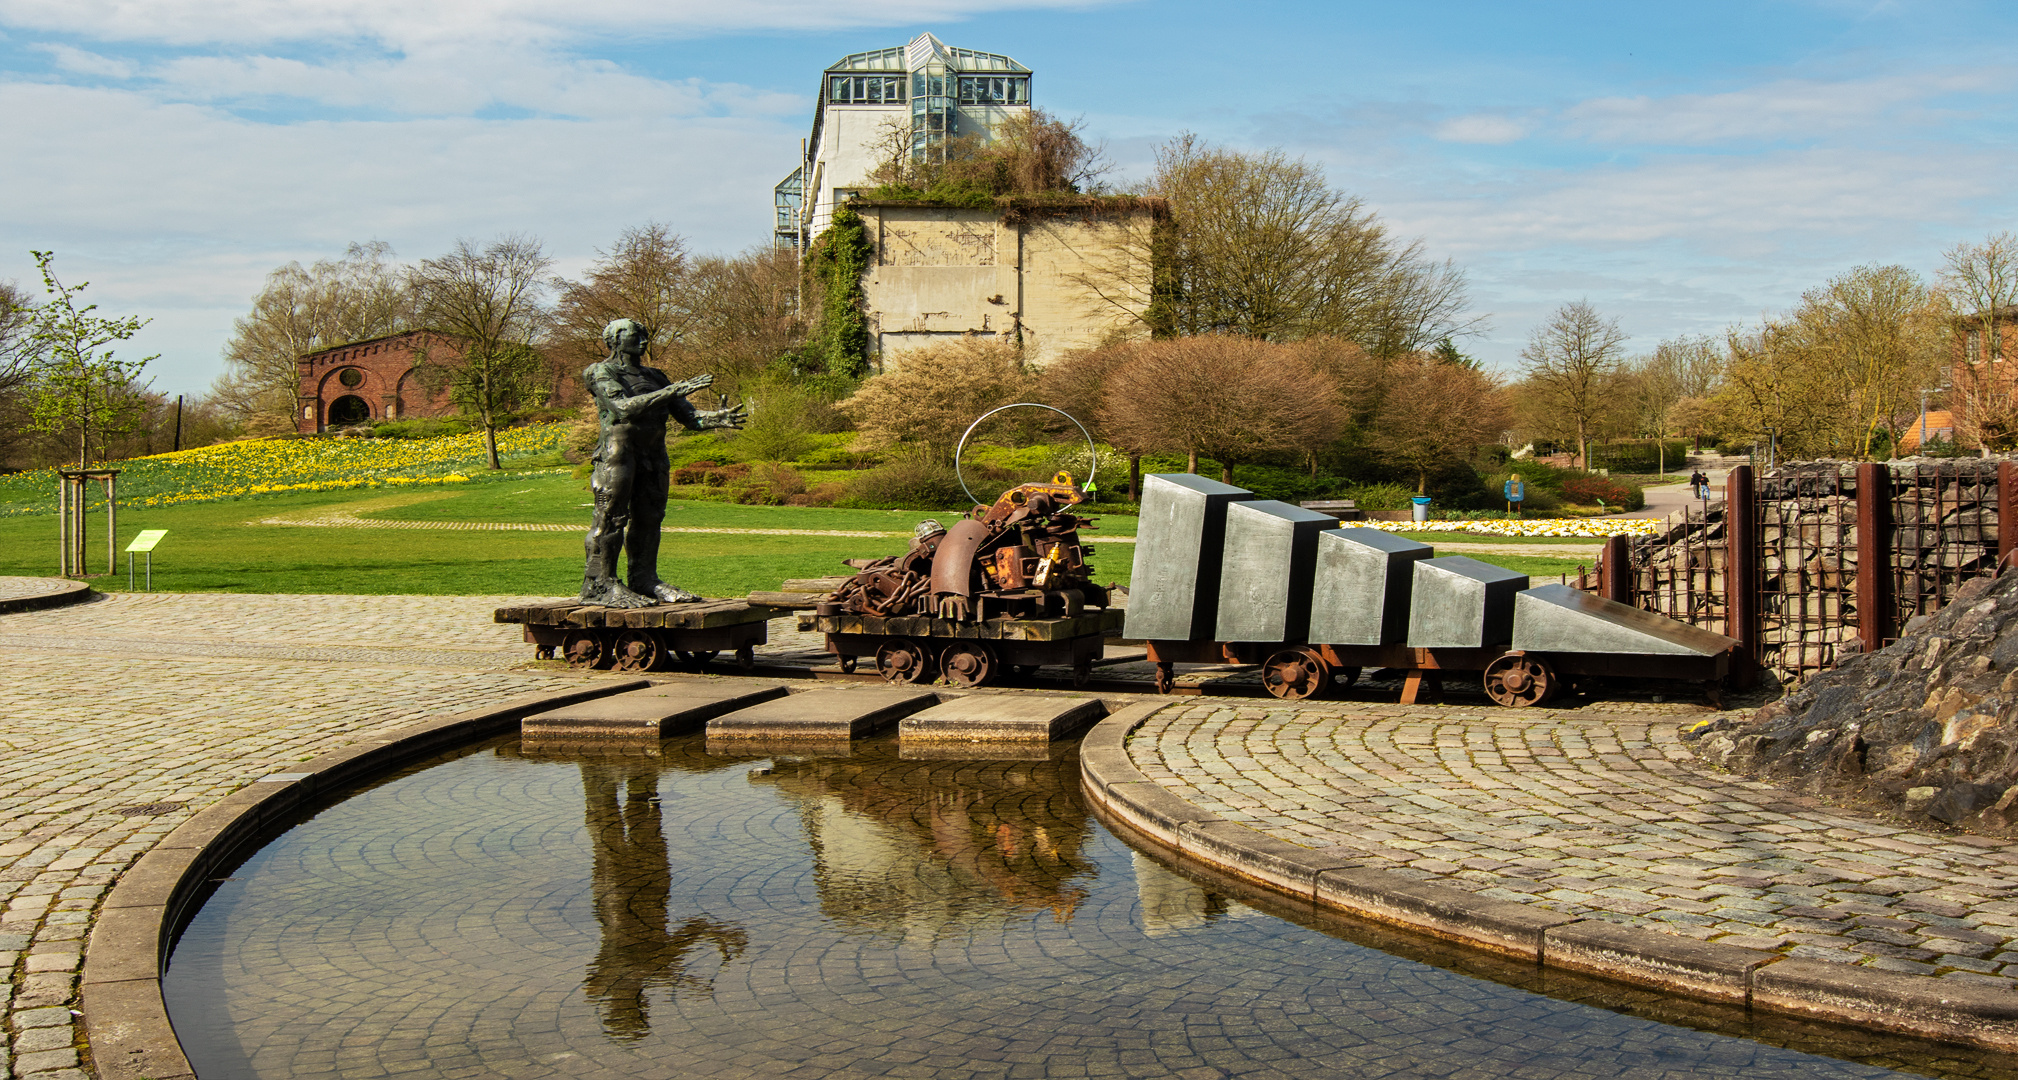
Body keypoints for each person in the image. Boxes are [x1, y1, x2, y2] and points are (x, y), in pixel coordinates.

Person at [580, 318, 747, 608]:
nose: (644, 341)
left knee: (650, 517)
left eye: (645, 336)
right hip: (617, 454)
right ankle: (600, 583)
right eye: (636, 336)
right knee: (610, 518)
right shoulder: (600, 371)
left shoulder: (656, 375)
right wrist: (677, 389)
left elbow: (688, 416)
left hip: (653, 454)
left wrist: (717, 418)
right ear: (615, 340)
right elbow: (622, 408)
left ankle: (644, 580)